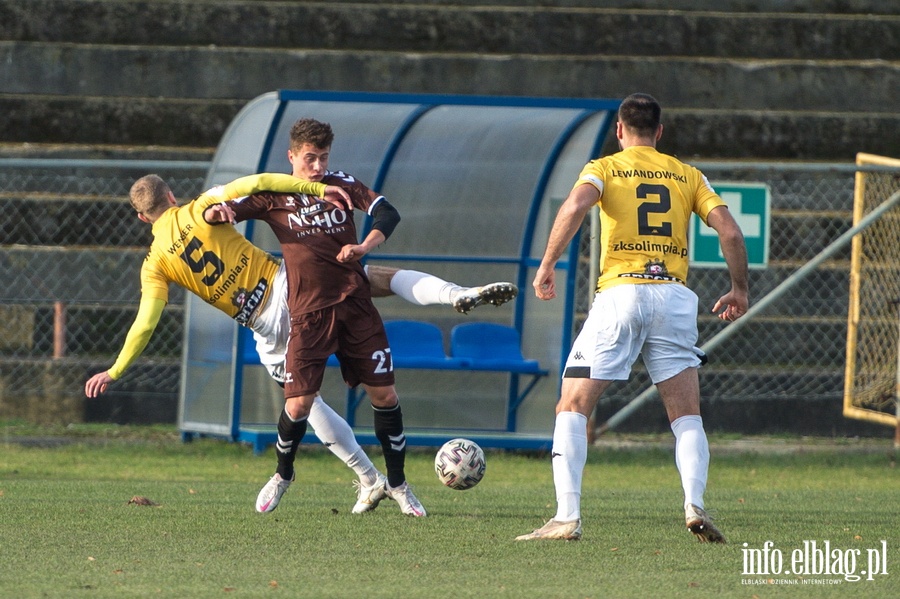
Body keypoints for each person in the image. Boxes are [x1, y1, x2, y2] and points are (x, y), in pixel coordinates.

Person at [85, 171, 514, 515]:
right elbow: (257, 184)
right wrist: (314, 186)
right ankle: (452, 294)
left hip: (262, 322)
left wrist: (115, 369)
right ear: (172, 196)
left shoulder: (155, 262)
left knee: (306, 406)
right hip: (287, 287)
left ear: (144, 218)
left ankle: (363, 478)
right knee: (364, 279)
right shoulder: (200, 207)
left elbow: (145, 323)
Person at [516, 93, 749, 543]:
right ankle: (694, 504)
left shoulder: (604, 167)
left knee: (572, 405)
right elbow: (730, 231)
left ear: (619, 130)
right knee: (686, 416)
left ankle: (566, 517)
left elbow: (575, 206)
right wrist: (739, 288)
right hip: (674, 298)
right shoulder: (688, 175)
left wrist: (547, 264)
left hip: (621, 293)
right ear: (659, 133)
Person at [208, 117, 429, 517]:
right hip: (308, 314)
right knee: (298, 405)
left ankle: (397, 485)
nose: (317, 167)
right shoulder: (275, 194)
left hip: (357, 307)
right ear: (291, 156)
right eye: (310, 158)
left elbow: (388, 213)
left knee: (385, 396)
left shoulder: (342, 183)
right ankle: (282, 475)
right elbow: (227, 211)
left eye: (323, 158)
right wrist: (217, 213)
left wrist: (364, 246)